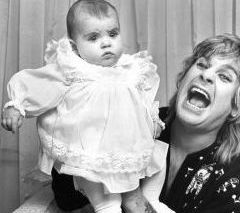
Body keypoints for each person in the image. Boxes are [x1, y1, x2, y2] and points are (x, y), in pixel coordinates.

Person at [1, 0, 169, 213]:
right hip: (88, 154)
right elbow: (38, 83)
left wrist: (152, 120)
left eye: (113, 33)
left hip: (124, 153)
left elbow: (142, 102)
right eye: (93, 37)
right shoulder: (73, 71)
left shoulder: (130, 69)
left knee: (135, 200)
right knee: (108, 204)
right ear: (74, 46)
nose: (106, 43)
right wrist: (16, 105)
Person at [48, 34, 240, 213]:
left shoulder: (233, 179)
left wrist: (133, 198)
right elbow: (67, 199)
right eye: (202, 65)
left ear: (235, 107)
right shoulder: (139, 118)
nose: (206, 75)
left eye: (224, 76)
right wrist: (70, 119)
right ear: (183, 79)